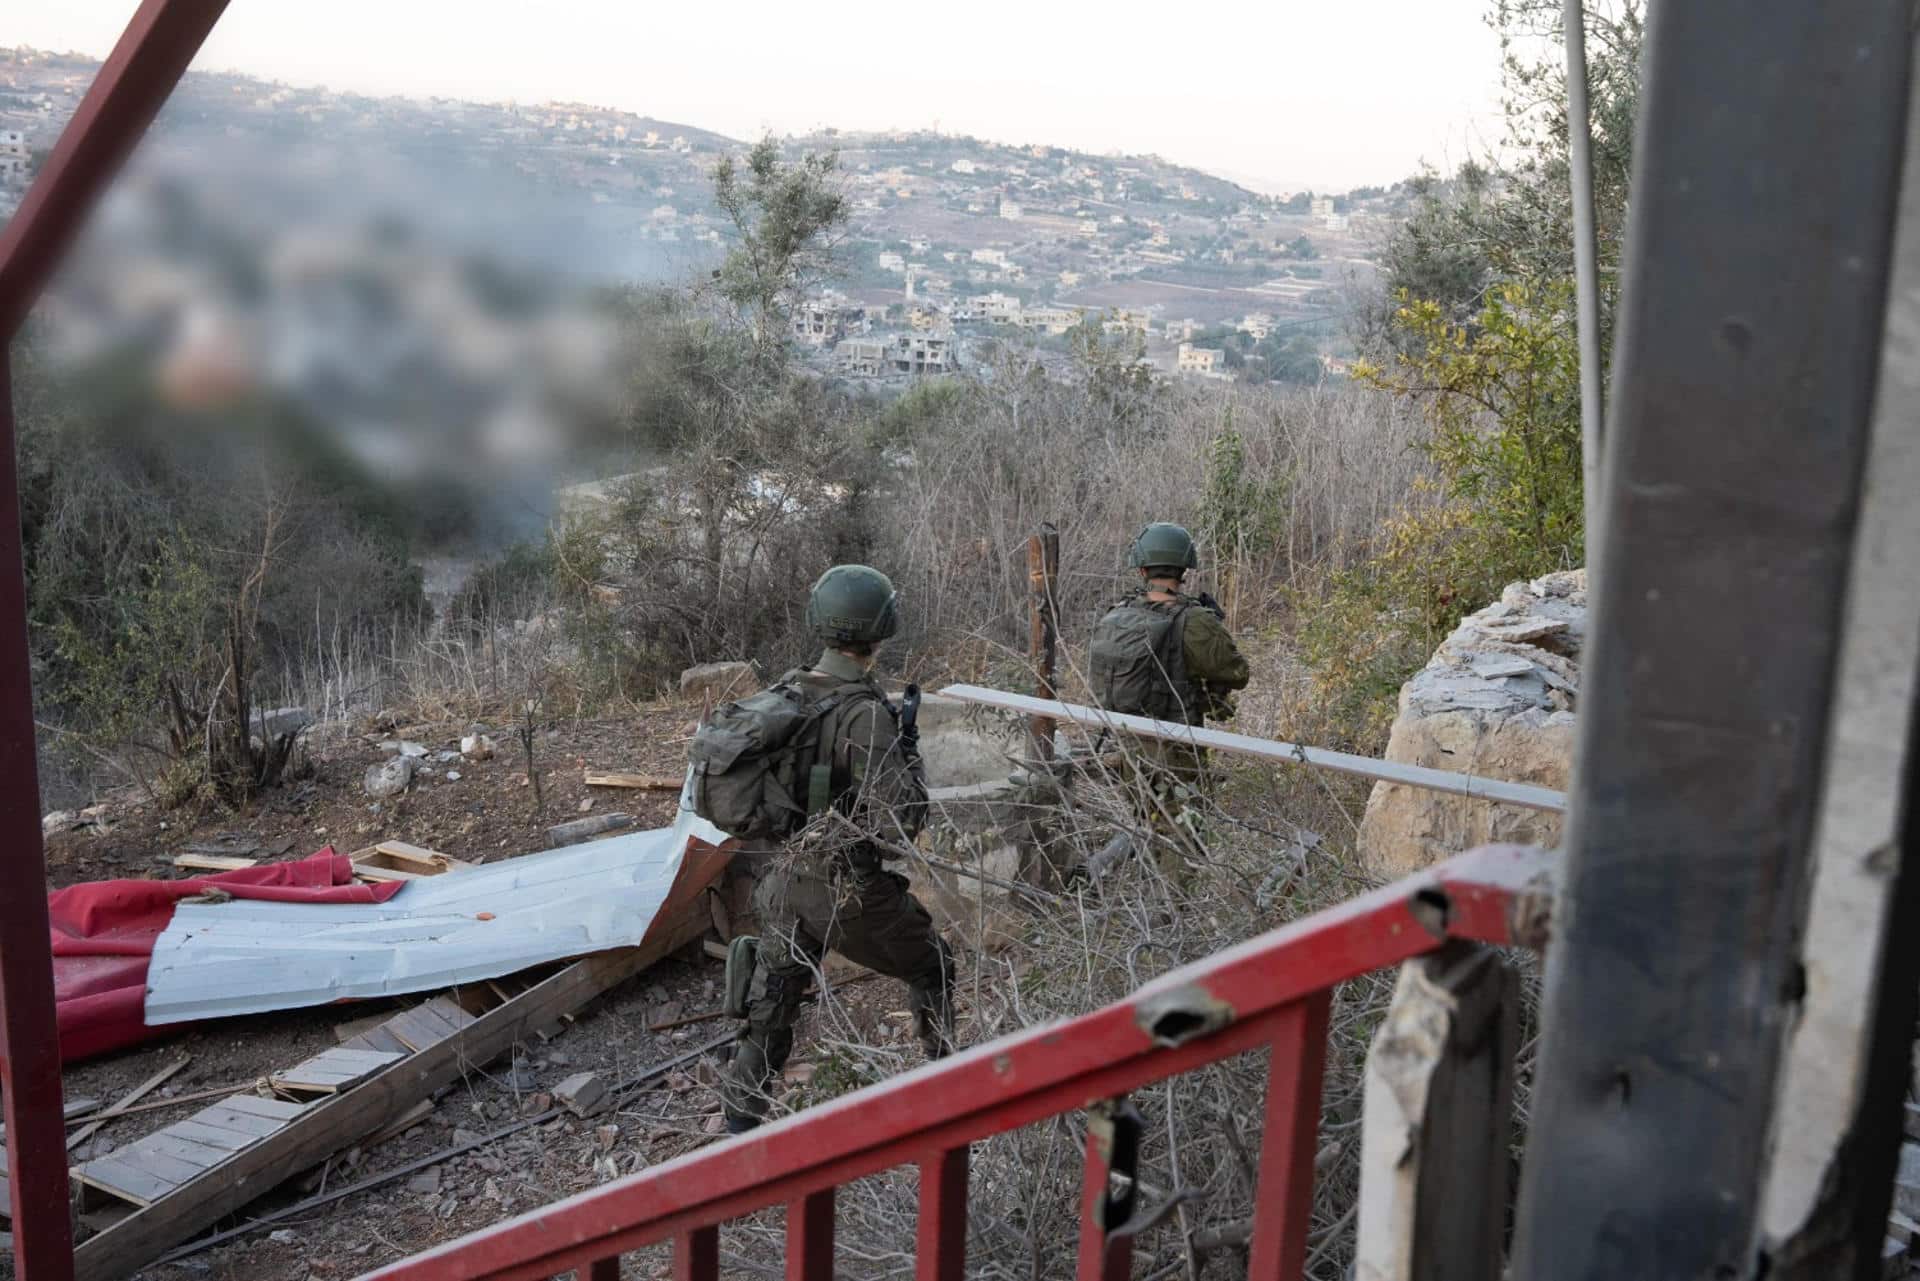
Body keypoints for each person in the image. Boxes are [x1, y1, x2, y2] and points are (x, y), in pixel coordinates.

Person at [718, 564, 954, 1134]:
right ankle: (946, 1092)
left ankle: (739, 1126)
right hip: (845, 888)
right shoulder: (864, 712)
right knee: (935, 966)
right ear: (881, 629)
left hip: (780, 879)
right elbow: (899, 825)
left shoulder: (788, 690)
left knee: (770, 1005)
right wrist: (909, 755)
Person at [1087, 522, 1251, 883]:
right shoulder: (1192, 620)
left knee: (1149, 822)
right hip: (1177, 751)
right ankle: (1171, 919)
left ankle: (1146, 894)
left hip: (1130, 746)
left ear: (1143, 570)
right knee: (1185, 839)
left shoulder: (1118, 614)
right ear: (1184, 570)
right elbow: (1238, 673)